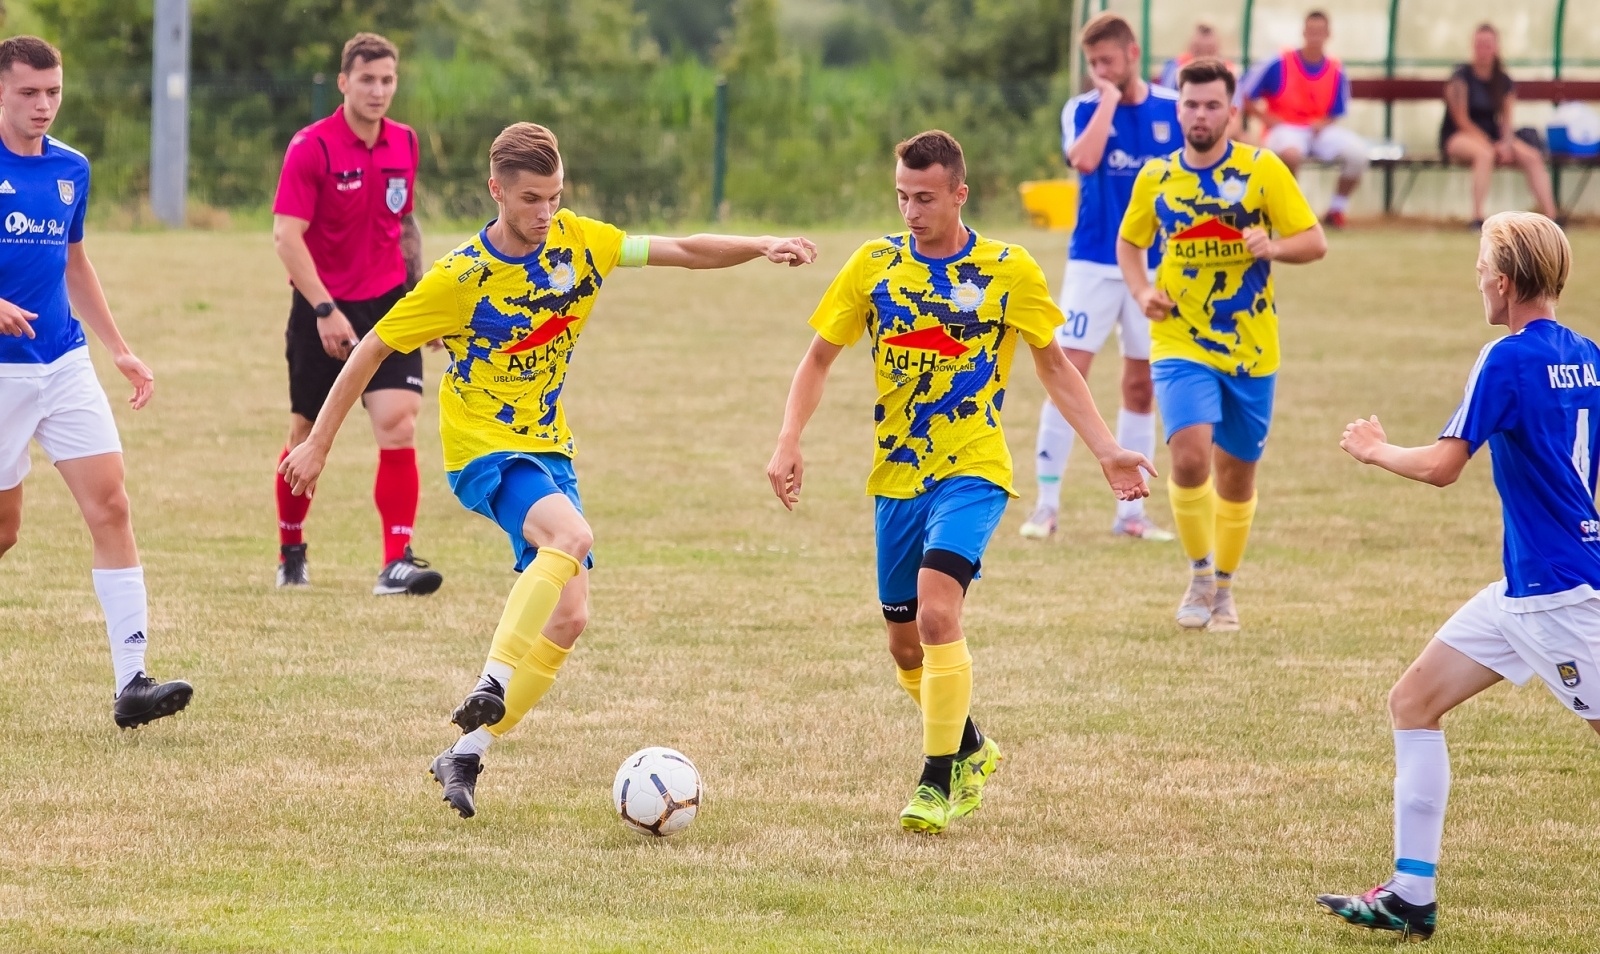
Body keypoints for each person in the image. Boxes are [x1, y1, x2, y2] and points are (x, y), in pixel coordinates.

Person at [280, 122, 816, 819]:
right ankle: (492, 679)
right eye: (531, 198)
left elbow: (681, 248)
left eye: (555, 197)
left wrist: (759, 244)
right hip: (484, 447)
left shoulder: (580, 240)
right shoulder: (460, 277)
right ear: (495, 190)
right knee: (571, 537)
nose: (545, 213)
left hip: (548, 445)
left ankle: (466, 751)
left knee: (570, 617)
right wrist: (319, 441)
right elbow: (371, 350)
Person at [767, 130, 1154, 834]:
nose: (911, 211)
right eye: (901, 196)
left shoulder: (1008, 269)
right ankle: (972, 745)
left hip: (973, 469)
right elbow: (819, 356)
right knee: (905, 645)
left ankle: (936, 779)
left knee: (940, 612)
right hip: (896, 478)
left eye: (925, 198)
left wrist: (1105, 449)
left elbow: (1055, 365)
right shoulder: (874, 265)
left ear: (959, 194)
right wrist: (789, 437)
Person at [1318, 213, 1599, 942]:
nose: (1476, 277)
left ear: (1503, 283)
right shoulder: (1590, 355)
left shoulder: (1504, 358)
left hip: (1558, 600)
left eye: (1480, 266)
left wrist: (1374, 450)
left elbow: (1444, 466)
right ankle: (1411, 893)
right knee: (1413, 699)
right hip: (1524, 590)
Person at [0, 36, 193, 728]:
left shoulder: (70, 169)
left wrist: (119, 348)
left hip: (64, 361)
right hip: (1, 373)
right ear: (2, 90)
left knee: (111, 505)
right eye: (28, 92)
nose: (43, 105)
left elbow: (73, 261)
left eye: (52, 92)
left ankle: (132, 680)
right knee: (5, 531)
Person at [1117, 58, 1326, 633]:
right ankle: (1200, 573)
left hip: (1251, 347)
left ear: (1232, 111)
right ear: (1177, 108)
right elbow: (1130, 243)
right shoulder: (1157, 177)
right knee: (1187, 456)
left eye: (1213, 105)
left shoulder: (1263, 171)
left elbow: (1314, 241)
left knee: (1236, 475)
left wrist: (1274, 248)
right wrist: (1140, 291)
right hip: (1179, 338)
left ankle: (1226, 591)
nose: (1201, 114)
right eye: (1191, 104)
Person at [270, 32, 440, 595]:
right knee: (305, 434)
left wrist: (423, 299)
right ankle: (291, 548)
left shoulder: (406, 142)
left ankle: (397, 561)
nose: (378, 90)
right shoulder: (311, 147)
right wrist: (323, 309)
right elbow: (286, 236)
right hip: (323, 307)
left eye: (387, 80)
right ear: (343, 83)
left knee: (399, 423)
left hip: (389, 304)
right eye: (367, 79)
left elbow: (405, 223)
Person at [1019, 12, 1176, 543]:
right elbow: (1084, 160)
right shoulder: (1083, 108)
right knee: (1070, 372)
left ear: (1133, 54)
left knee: (1141, 381)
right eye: (1092, 63)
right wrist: (1108, 99)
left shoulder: (1173, 110)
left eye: (1107, 61)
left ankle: (1131, 514)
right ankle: (1046, 505)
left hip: (1155, 266)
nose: (1099, 71)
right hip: (1092, 261)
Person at [1239, 10, 1367, 228]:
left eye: (1320, 31)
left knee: (1358, 154)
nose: (1315, 35)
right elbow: (1243, 94)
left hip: (1317, 131)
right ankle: (1291, 212)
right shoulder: (1279, 62)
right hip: (1285, 129)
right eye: (1311, 30)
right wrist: (1265, 117)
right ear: (1303, 32)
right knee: (1291, 154)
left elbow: (1337, 111)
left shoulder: (1336, 68)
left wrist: (1323, 123)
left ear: (1328, 34)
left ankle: (1336, 210)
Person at [1441, 23, 1557, 225]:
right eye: (1479, 44)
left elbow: (1507, 121)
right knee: (1484, 154)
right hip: (1459, 136)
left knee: (1532, 156)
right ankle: (1478, 218)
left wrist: (1505, 143)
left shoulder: (1503, 81)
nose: (1483, 49)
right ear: (1473, 46)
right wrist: (1491, 144)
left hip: (1494, 137)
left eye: (1487, 44)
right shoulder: (1460, 77)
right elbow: (1461, 120)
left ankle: (1551, 218)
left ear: (1496, 48)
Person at [1156, 23, 1232, 91]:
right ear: (1192, 48)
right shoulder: (1175, 66)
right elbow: (1168, 93)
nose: (1204, 58)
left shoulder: (1226, 70)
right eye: (1199, 51)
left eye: (1209, 52)